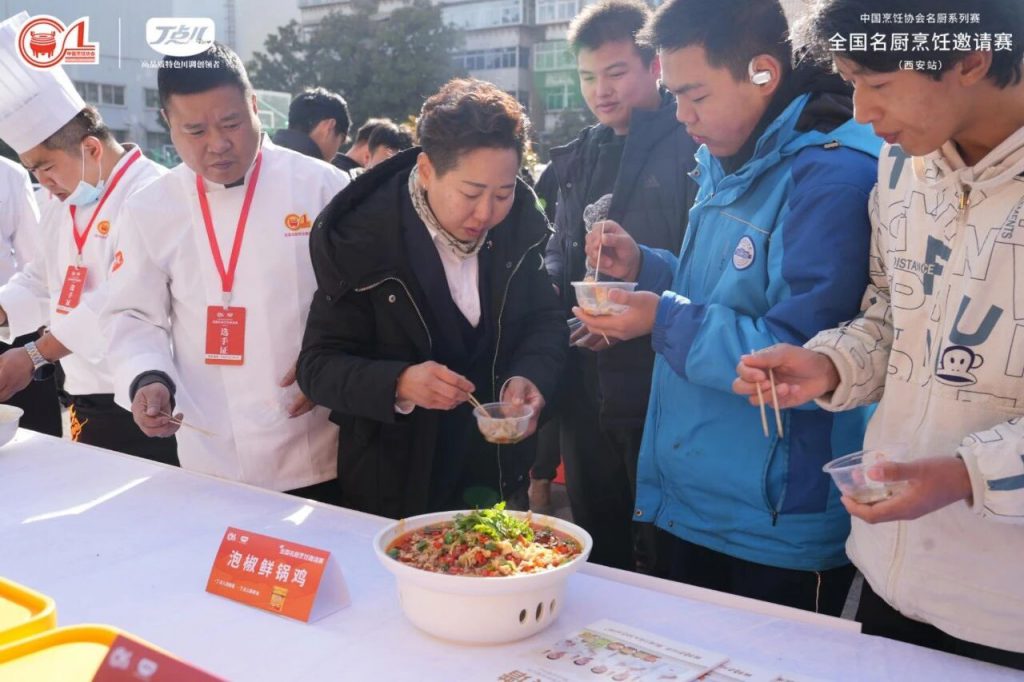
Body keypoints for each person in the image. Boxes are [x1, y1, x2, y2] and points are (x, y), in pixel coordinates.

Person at [734, 0, 1024, 668]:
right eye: (851, 81)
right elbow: (893, 309)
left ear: (972, 59)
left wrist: (966, 475)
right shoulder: (903, 167)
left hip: (1006, 614)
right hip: (890, 578)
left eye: (879, 83)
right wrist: (832, 364)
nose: (862, 111)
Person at [577, 0, 880, 614]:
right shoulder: (732, 152)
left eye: (695, 96)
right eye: (674, 95)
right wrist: (647, 268)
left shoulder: (829, 177)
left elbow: (798, 359)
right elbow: (724, 291)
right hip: (699, 496)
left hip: (772, 518)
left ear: (764, 72)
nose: (681, 116)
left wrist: (659, 317)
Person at [297, 78, 567, 518]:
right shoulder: (363, 238)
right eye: (470, 193)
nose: (486, 213)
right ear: (426, 170)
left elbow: (545, 320)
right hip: (394, 483)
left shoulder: (518, 226)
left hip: (497, 474)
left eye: (502, 193)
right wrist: (400, 383)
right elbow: (317, 367)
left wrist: (531, 375)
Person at [102, 44, 349, 501]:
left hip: (315, 440)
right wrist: (147, 377)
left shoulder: (322, 187)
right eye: (195, 130)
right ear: (168, 122)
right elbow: (132, 314)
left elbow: (359, 301)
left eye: (231, 124)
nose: (216, 144)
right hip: (210, 442)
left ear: (253, 106)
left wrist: (333, 364)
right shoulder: (150, 207)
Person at [542, 0, 699, 571]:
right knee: (595, 545)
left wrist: (639, 312)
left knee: (664, 556)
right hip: (586, 385)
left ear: (654, 65)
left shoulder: (692, 143)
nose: (600, 91)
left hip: (661, 384)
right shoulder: (581, 154)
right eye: (588, 77)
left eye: (615, 73)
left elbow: (705, 268)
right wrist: (566, 312)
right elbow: (559, 251)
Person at [0, 12, 171, 459]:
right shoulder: (62, 201)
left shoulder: (153, 192)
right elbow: (41, 279)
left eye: (46, 167)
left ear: (90, 148)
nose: (42, 182)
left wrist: (35, 354)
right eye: (33, 170)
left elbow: (118, 298)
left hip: (146, 400)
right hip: (84, 393)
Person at [0, 154, 61, 437]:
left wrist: (41, 343)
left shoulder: (10, 173)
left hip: (9, 328)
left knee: (32, 435)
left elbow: (35, 261)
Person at [272, 87, 350, 164]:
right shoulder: (323, 171)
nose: (334, 156)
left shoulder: (266, 154)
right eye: (339, 143)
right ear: (328, 127)